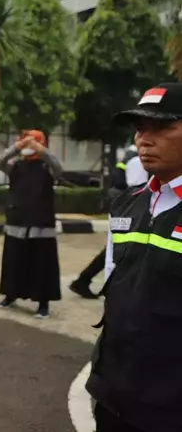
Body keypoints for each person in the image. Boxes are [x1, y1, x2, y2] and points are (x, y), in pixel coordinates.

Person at [86, 83, 182, 431]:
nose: (145, 138)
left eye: (162, 126)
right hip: (115, 395)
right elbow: (115, 286)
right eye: (140, 128)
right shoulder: (126, 203)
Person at [0, 130, 63, 319]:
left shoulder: (46, 166)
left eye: (33, 142)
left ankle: (43, 304)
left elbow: (59, 168)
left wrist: (42, 151)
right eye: (25, 141)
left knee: (42, 264)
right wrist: (15, 148)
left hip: (41, 223)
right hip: (17, 220)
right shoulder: (15, 165)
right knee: (13, 261)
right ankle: (10, 295)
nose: (28, 145)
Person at [70, 143, 142, 299]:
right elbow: (138, 188)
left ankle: (84, 280)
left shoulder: (133, 151)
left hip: (122, 203)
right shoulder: (140, 156)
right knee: (120, 248)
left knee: (115, 247)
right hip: (127, 205)